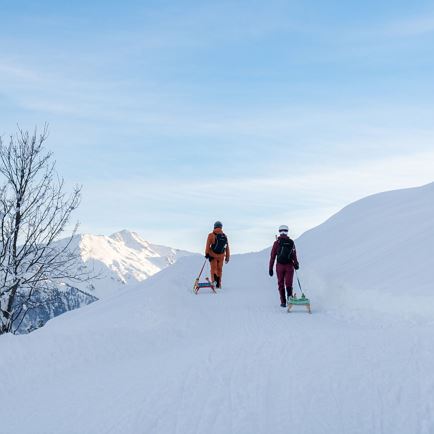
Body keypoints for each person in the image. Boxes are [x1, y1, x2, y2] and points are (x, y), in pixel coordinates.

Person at [269, 225, 299, 307]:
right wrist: (296, 264)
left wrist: (270, 268)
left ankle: (283, 302)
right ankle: (290, 300)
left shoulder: (276, 243)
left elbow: (272, 257)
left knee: (280, 283)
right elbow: (294, 255)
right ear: (287, 232)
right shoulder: (291, 242)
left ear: (279, 232)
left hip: (279, 266)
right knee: (289, 284)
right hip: (289, 266)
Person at [205, 221, 230, 288]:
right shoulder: (224, 236)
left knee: (213, 268)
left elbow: (207, 245)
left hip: (212, 255)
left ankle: (214, 281)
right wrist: (227, 257)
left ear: (214, 226)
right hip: (221, 256)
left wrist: (207, 253)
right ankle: (219, 284)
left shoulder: (211, 235)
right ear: (221, 227)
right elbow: (227, 248)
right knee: (219, 269)